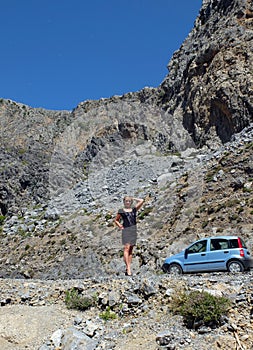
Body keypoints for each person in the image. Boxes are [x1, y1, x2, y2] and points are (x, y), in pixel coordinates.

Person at [115, 196, 144, 276]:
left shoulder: (134, 209)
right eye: (126, 201)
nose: (127, 202)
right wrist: (120, 226)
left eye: (129, 201)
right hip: (126, 230)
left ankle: (128, 267)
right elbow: (116, 220)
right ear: (124, 202)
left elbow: (141, 200)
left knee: (131, 249)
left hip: (133, 230)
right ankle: (128, 268)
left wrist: (133, 198)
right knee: (126, 248)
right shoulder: (121, 211)